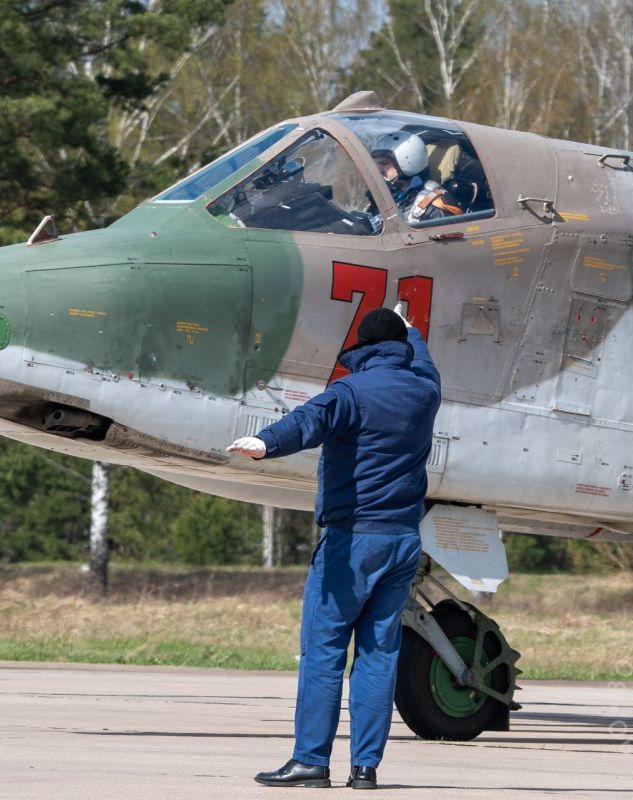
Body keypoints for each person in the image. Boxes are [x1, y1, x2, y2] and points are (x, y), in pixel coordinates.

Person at [228, 304, 441, 790]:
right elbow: (426, 363)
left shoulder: (351, 392)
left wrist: (264, 443)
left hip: (353, 542)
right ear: (402, 346)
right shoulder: (425, 391)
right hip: (403, 540)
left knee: (323, 651)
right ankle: (365, 769)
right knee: (378, 654)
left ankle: (310, 761)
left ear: (363, 347)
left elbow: (308, 421)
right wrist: (413, 331)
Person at [368, 131, 462, 224]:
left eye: (384, 163)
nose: (377, 170)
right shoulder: (389, 195)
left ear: (409, 162)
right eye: (375, 164)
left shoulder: (435, 205)